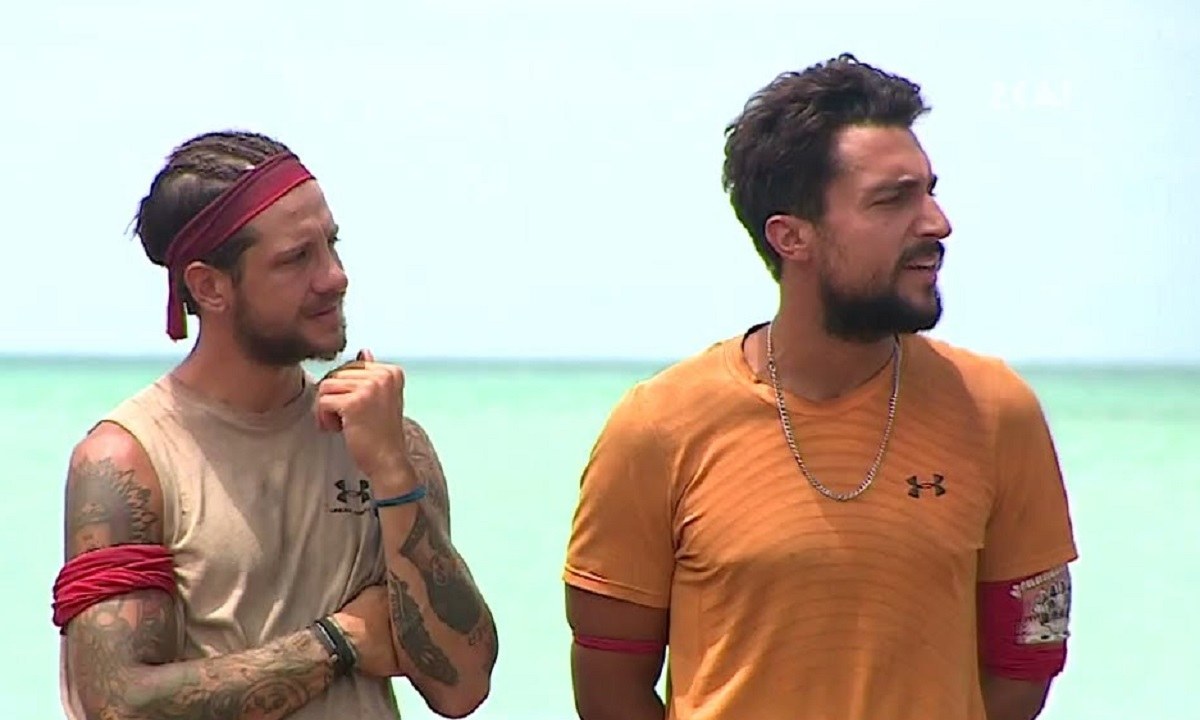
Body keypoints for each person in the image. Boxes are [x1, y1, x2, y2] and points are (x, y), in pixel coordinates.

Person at [562, 54, 1077, 720]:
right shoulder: (658, 427)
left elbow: (1028, 659)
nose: (936, 222)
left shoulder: (997, 410)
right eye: (893, 200)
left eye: (929, 191)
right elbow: (609, 681)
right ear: (792, 238)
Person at [52, 130, 499, 720]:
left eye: (331, 244)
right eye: (296, 259)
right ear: (210, 286)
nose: (335, 277)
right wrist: (338, 642)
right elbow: (120, 704)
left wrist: (393, 472)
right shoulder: (129, 461)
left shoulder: (385, 441)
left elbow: (462, 687)